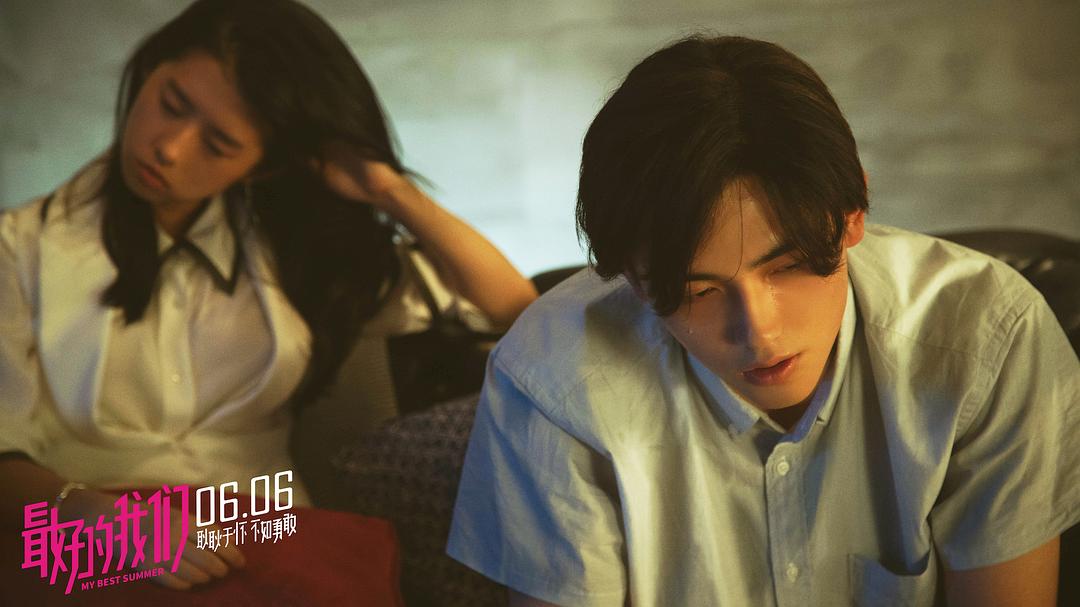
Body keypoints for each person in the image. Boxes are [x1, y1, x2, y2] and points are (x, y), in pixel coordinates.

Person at [447, 35, 1078, 606]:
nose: (759, 331)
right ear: (633, 281)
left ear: (853, 212)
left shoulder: (987, 339)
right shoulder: (552, 379)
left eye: (791, 266)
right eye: (698, 290)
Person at [0, 0, 537, 593]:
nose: (169, 147)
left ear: (262, 166)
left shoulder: (296, 251)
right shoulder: (17, 247)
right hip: (84, 537)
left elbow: (516, 310)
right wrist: (91, 515)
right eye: (171, 104)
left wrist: (390, 192)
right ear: (150, 69)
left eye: (219, 143)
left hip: (268, 533)